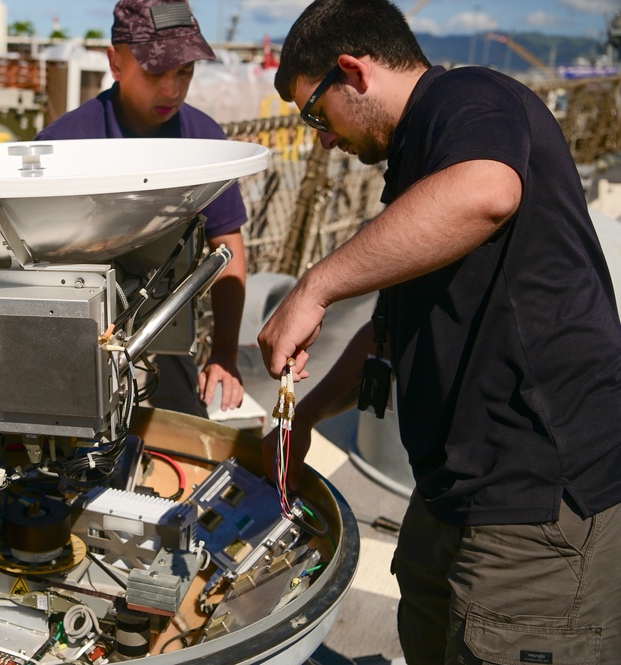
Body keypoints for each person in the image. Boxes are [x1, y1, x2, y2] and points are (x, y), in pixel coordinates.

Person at [258, 0, 621, 662]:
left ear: (352, 72)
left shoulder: (468, 96)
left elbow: (487, 191)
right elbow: (387, 335)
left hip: (534, 500)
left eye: (315, 114)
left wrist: (313, 286)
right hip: (454, 487)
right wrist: (304, 415)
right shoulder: (414, 165)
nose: (322, 139)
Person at [34, 0, 248, 417]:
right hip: (74, 339)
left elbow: (231, 250)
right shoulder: (63, 146)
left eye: (184, 71)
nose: (172, 90)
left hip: (166, 331)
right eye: (154, 72)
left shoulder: (206, 143)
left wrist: (223, 354)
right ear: (115, 63)